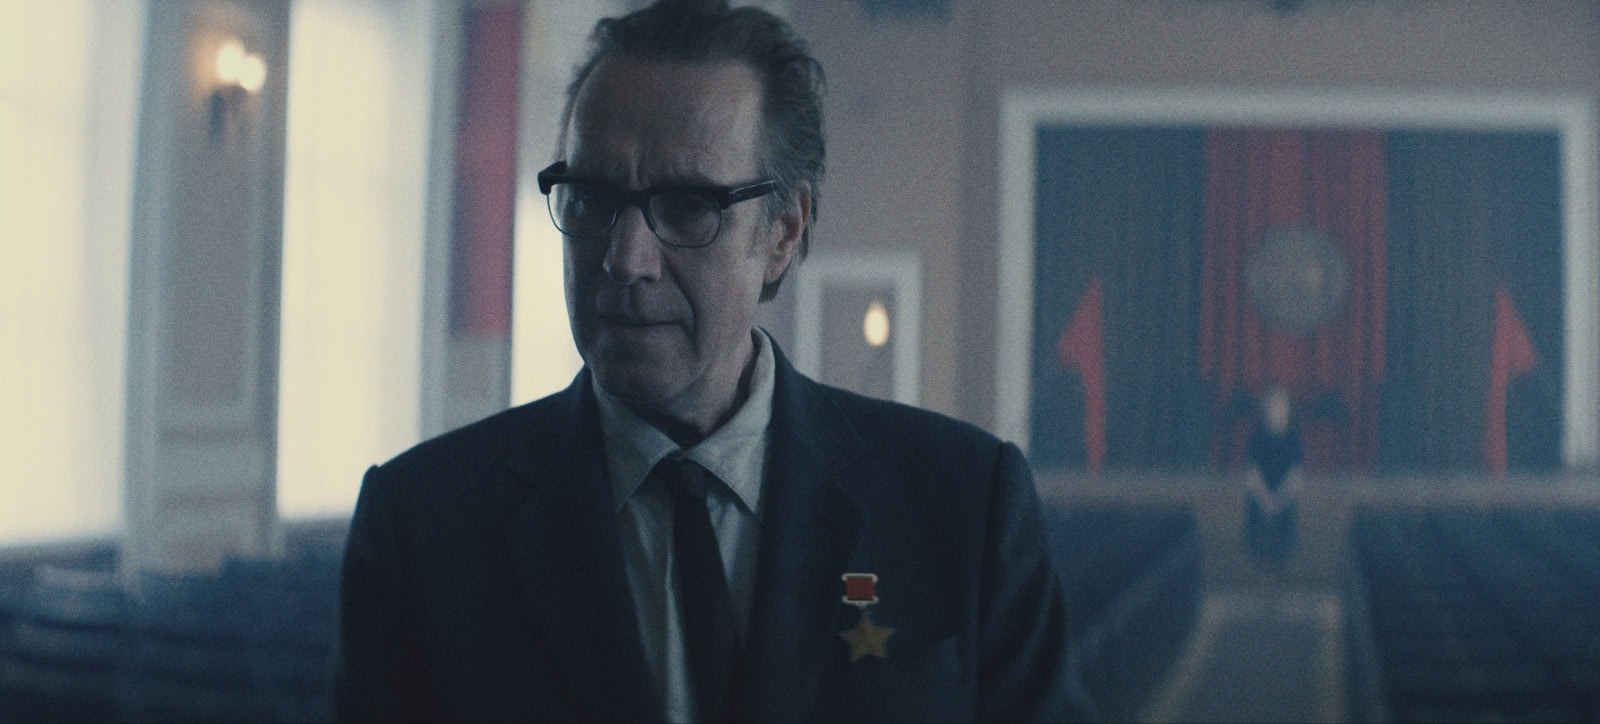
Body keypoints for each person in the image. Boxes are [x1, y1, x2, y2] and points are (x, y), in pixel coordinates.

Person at [333, 1, 1094, 721]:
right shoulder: (423, 529)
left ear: (783, 232)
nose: (626, 260)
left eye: (689, 206)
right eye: (591, 199)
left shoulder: (963, 505)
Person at [1243, 385, 1304, 568]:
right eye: (1273, 407)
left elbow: (1296, 478)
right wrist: (1265, 499)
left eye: (1281, 407)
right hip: (1261, 494)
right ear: (1266, 411)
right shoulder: (1256, 438)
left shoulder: (1294, 439)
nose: (1277, 412)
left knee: (1283, 541)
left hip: (1283, 495)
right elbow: (1252, 476)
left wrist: (1278, 499)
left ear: (1288, 410)